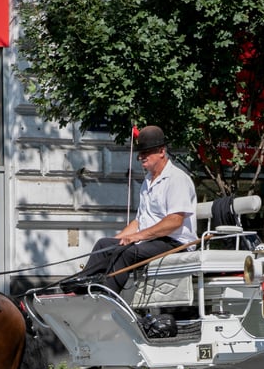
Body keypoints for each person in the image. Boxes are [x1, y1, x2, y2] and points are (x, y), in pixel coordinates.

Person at [61, 125, 197, 294]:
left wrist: (136, 237)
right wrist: (116, 242)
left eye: (146, 152)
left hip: (175, 242)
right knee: (104, 244)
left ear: (161, 151)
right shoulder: (148, 181)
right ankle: (80, 290)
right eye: (140, 153)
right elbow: (139, 221)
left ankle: (107, 297)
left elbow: (174, 221)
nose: (141, 157)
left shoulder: (177, 178)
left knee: (127, 253)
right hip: (152, 240)